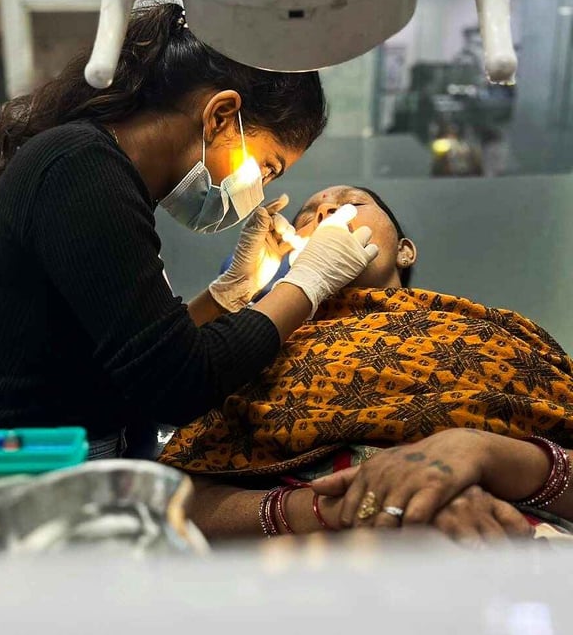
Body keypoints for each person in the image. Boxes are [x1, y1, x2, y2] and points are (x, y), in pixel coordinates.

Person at [0, 3, 379, 458]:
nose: (259, 191)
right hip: (19, 469)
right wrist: (306, 282)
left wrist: (229, 294)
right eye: (266, 167)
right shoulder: (80, 170)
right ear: (221, 116)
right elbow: (176, 383)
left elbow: (136, 355)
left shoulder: (105, 174)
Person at [159, 185, 573, 544]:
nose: (326, 212)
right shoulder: (257, 351)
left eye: (352, 203)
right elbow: (176, 500)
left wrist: (482, 452)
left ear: (405, 250)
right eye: (309, 213)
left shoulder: (491, 332)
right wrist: (330, 508)